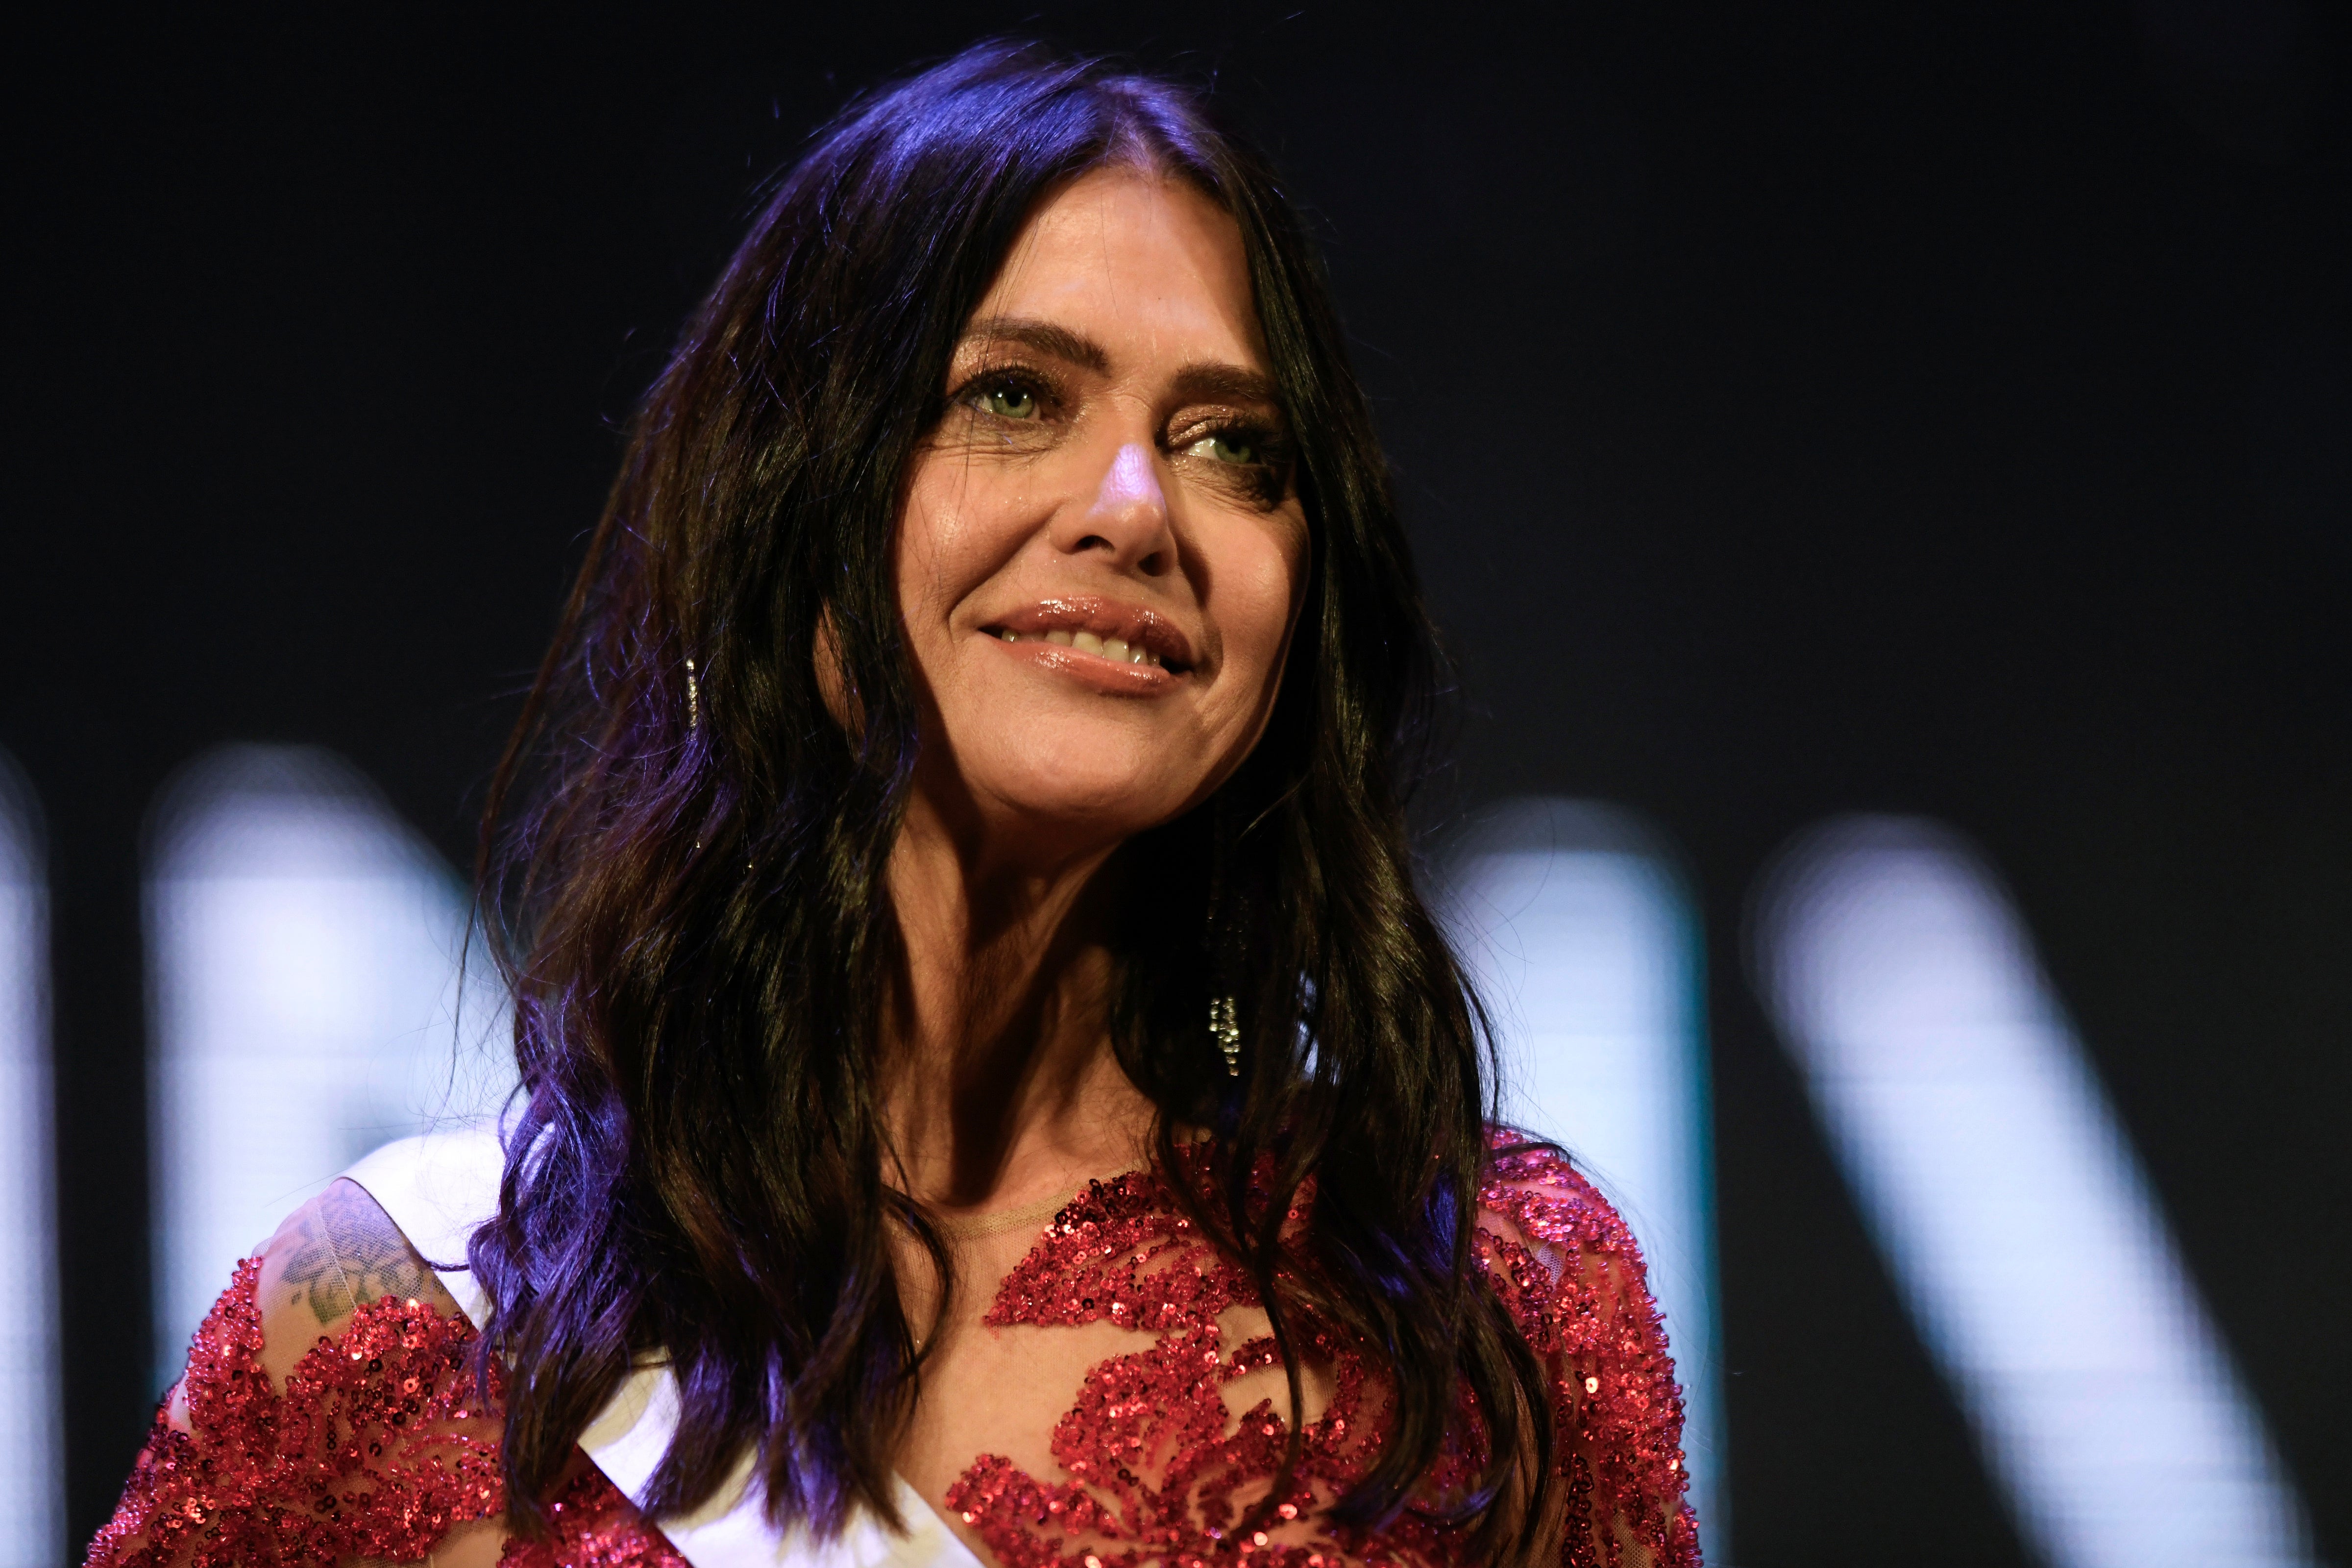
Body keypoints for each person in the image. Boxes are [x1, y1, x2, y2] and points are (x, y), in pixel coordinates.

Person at [89, 42, 1699, 1568]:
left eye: (1232, 446)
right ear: (794, 506)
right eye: (1014, 396)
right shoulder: (402, 1325)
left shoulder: (1481, 1308)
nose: (1139, 509)